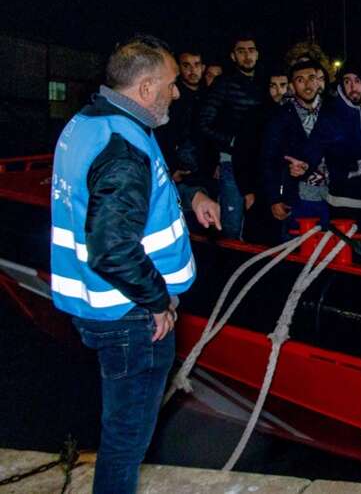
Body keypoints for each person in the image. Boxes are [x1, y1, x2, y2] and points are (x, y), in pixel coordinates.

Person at [49, 35, 220, 494]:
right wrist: (158, 299)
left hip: (104, 307)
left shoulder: (95, 123)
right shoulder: (124, 146)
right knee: (126, 443)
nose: (177, 91)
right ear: (145, 88)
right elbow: (111, 248)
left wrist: (190, 196)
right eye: (169, 83)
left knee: (120, 433)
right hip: (131, 318)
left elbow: (126, 194)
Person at [289, 61, 361, 253]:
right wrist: (304, 164)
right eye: (346, 81)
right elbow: (316, 143)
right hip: (343, 201)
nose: (352, 86)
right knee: (343, 257)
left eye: (357, 80)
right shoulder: (333, 112)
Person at [198, 34, 262, 239]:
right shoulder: (224, 83)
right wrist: (233, 142)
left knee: (255, 225)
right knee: (231, 227)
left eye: (251, 50)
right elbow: (204, 123)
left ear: (257, 54)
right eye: (241, 51)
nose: (247, 56)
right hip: (231, 162)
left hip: (259, 163)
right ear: (233, 56)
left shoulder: (264, 83)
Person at [261, 60, 330, 240]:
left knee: (330, 254)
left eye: (312, 78)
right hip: (297, 197)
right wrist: (275, 199)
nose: (307, 84)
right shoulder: (281, 116)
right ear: (292, 85)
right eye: (300, 80)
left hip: (332, 197)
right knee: (296, 253)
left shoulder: (332, 111)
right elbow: (268, 158)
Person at [155, 49, 206, 182]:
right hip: (179, 168)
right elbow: (162, 133)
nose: (192, 70)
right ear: (178, 68)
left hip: (205, 167)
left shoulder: (209, 95)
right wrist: (172, 167)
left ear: (203, 67)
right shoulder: (171, 96)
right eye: (186, 65)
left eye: (196, 64)